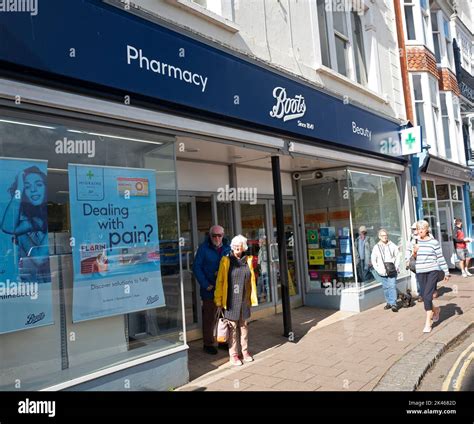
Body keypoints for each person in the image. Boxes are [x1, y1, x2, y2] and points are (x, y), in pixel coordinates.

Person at [214, 235, 258, 366]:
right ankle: (233, 355)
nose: (237, 247)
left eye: (240, 245)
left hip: (244, 300)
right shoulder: (226, 261)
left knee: (244, 328)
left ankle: (244, 352)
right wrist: (219, 301)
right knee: (232, 329)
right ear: (232, 247)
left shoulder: (248, 260)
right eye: (235, 245)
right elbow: (220, 282)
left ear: (244, 247)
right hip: (231, 301)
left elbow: (252, 280)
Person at [1, 166, 50, 283]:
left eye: (39, 184)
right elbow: (7, 227)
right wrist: (19, 188)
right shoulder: (34, 220)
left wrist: (21, 236)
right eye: (27, 187)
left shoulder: (48, 218)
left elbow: (39, 259)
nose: (33, 190)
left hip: (48, 284)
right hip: (32, 284)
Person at [192, 225, 231, 355]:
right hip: (210, 289)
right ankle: (208, 344)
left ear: (223, 235)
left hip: (224, 289)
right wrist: (205, 284)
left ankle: (222, 341)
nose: (217, 238)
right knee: (209, 317)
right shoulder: (203, 249)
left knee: (224, 316)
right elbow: (196, 267)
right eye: (214, 235)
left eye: (219, 235)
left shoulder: (227, 247)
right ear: (210, 236)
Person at [413, 220, 450, 333]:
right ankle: (436, 310)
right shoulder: (415, 241)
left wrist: (446, 271)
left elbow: (440, 257)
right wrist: (415, 252)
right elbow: (413, 258)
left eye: (422, 229)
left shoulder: (434, 242)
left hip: (432, 271)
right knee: (425, 296)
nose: (420, 231)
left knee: (428, 296)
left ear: (427, 229)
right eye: (418, 229)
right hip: (420, 271)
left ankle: (428, 323)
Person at [371, 228, 400, 312]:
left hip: (392, 270)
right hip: (382, 271)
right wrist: (378, 269)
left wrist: (396, 266)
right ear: (379, 237)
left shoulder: (392, 245)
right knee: (386, 288)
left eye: (386, 235)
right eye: (383, 235)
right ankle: (389, 302)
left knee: (392, 286)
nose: (385, 237)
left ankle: (394, 303)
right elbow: (373, 259)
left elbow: (397, 256)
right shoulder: (376, 247)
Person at [405, 222, 422, 302]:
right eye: (413, 229)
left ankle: (428, 291)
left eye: (415, 229)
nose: (414, 230)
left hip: (424, 260)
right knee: (418, 277)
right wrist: (407, 260)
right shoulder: (411, 238)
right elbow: (408, 249)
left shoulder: (425, 236)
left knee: (425, 277)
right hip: (415, 260)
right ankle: (421, 294)